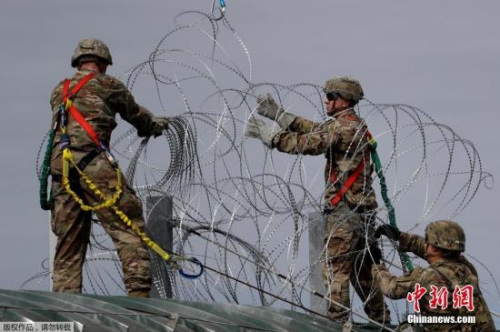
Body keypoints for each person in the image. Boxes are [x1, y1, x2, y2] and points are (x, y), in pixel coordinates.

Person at [245, 77, 390, 323]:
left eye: (332, 96)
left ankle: (338, 324)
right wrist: (280, 115)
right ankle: (383, 322)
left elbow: (310, 143)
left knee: (336, 271)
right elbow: (316, 129)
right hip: (362, 215)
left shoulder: (343, 128)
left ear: (345, 100)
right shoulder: (354, 125)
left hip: (344, 214)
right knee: (361, 272)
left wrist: (272, 137)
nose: (327, 100)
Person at [48, 38, 169, 297]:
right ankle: (139, 299)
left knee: (68, 241)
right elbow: (134, 113)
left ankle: (65, 304)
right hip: (93, 164)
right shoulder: (108, 84)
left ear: (78, 62)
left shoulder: (60, 89)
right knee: (128, 228)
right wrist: (153, 125)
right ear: (103, 63)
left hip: (62, 171)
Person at [373, 220, 495, 331]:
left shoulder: (427, 276)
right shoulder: (467, 269)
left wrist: (376, 266)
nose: (425, 243)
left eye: (427, 240)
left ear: (434, 249)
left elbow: (391, 288)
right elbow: (436, 249)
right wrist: (401, 237)